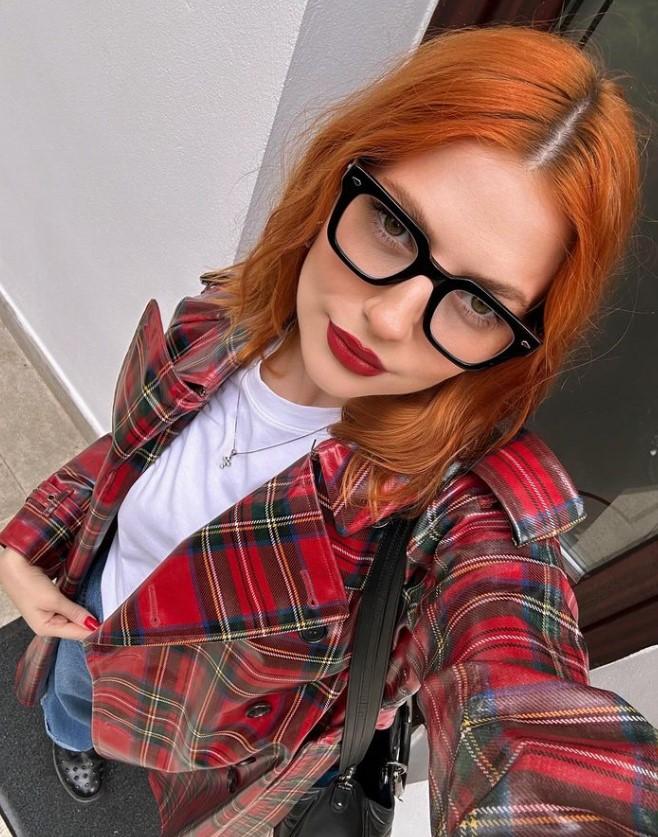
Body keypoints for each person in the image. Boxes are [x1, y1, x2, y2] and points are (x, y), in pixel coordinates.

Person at [0, 22, 656, 837]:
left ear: (514, 344)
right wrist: (23, 546)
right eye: (394, 225)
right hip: (89, 613)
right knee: (68, 706)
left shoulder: (437, 518)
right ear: (339, 178)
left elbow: (516, 670)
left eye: (477, 303)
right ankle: (71, 738)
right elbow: (122, 459)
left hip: (189, 724)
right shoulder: (224, 325)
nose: (390, 317)